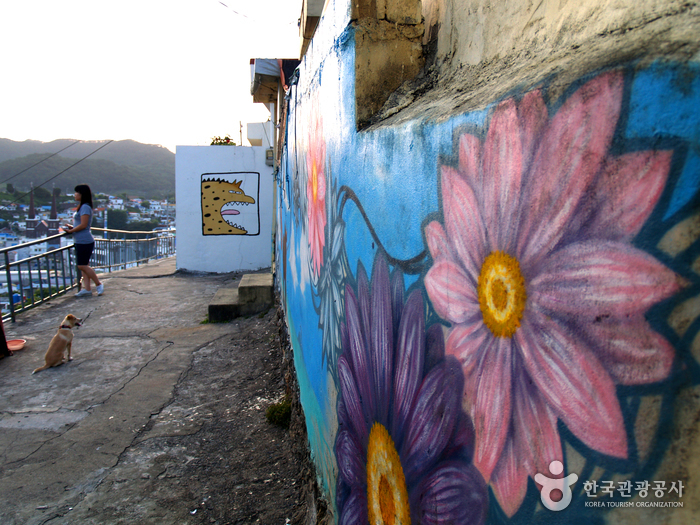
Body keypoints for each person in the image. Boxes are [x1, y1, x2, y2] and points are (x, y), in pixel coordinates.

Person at [64, 184, 104, 297]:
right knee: (84, 266)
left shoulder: (85, 207)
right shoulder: (82, 206)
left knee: (82, 266)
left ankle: (98, 284)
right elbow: (80, 225)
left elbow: (83, 225)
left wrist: (71, 231)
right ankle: (87, 289)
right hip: (79, 240)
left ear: (82, 194)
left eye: (77, 192)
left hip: (84, 240)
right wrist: (73, 228)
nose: (75, 195)